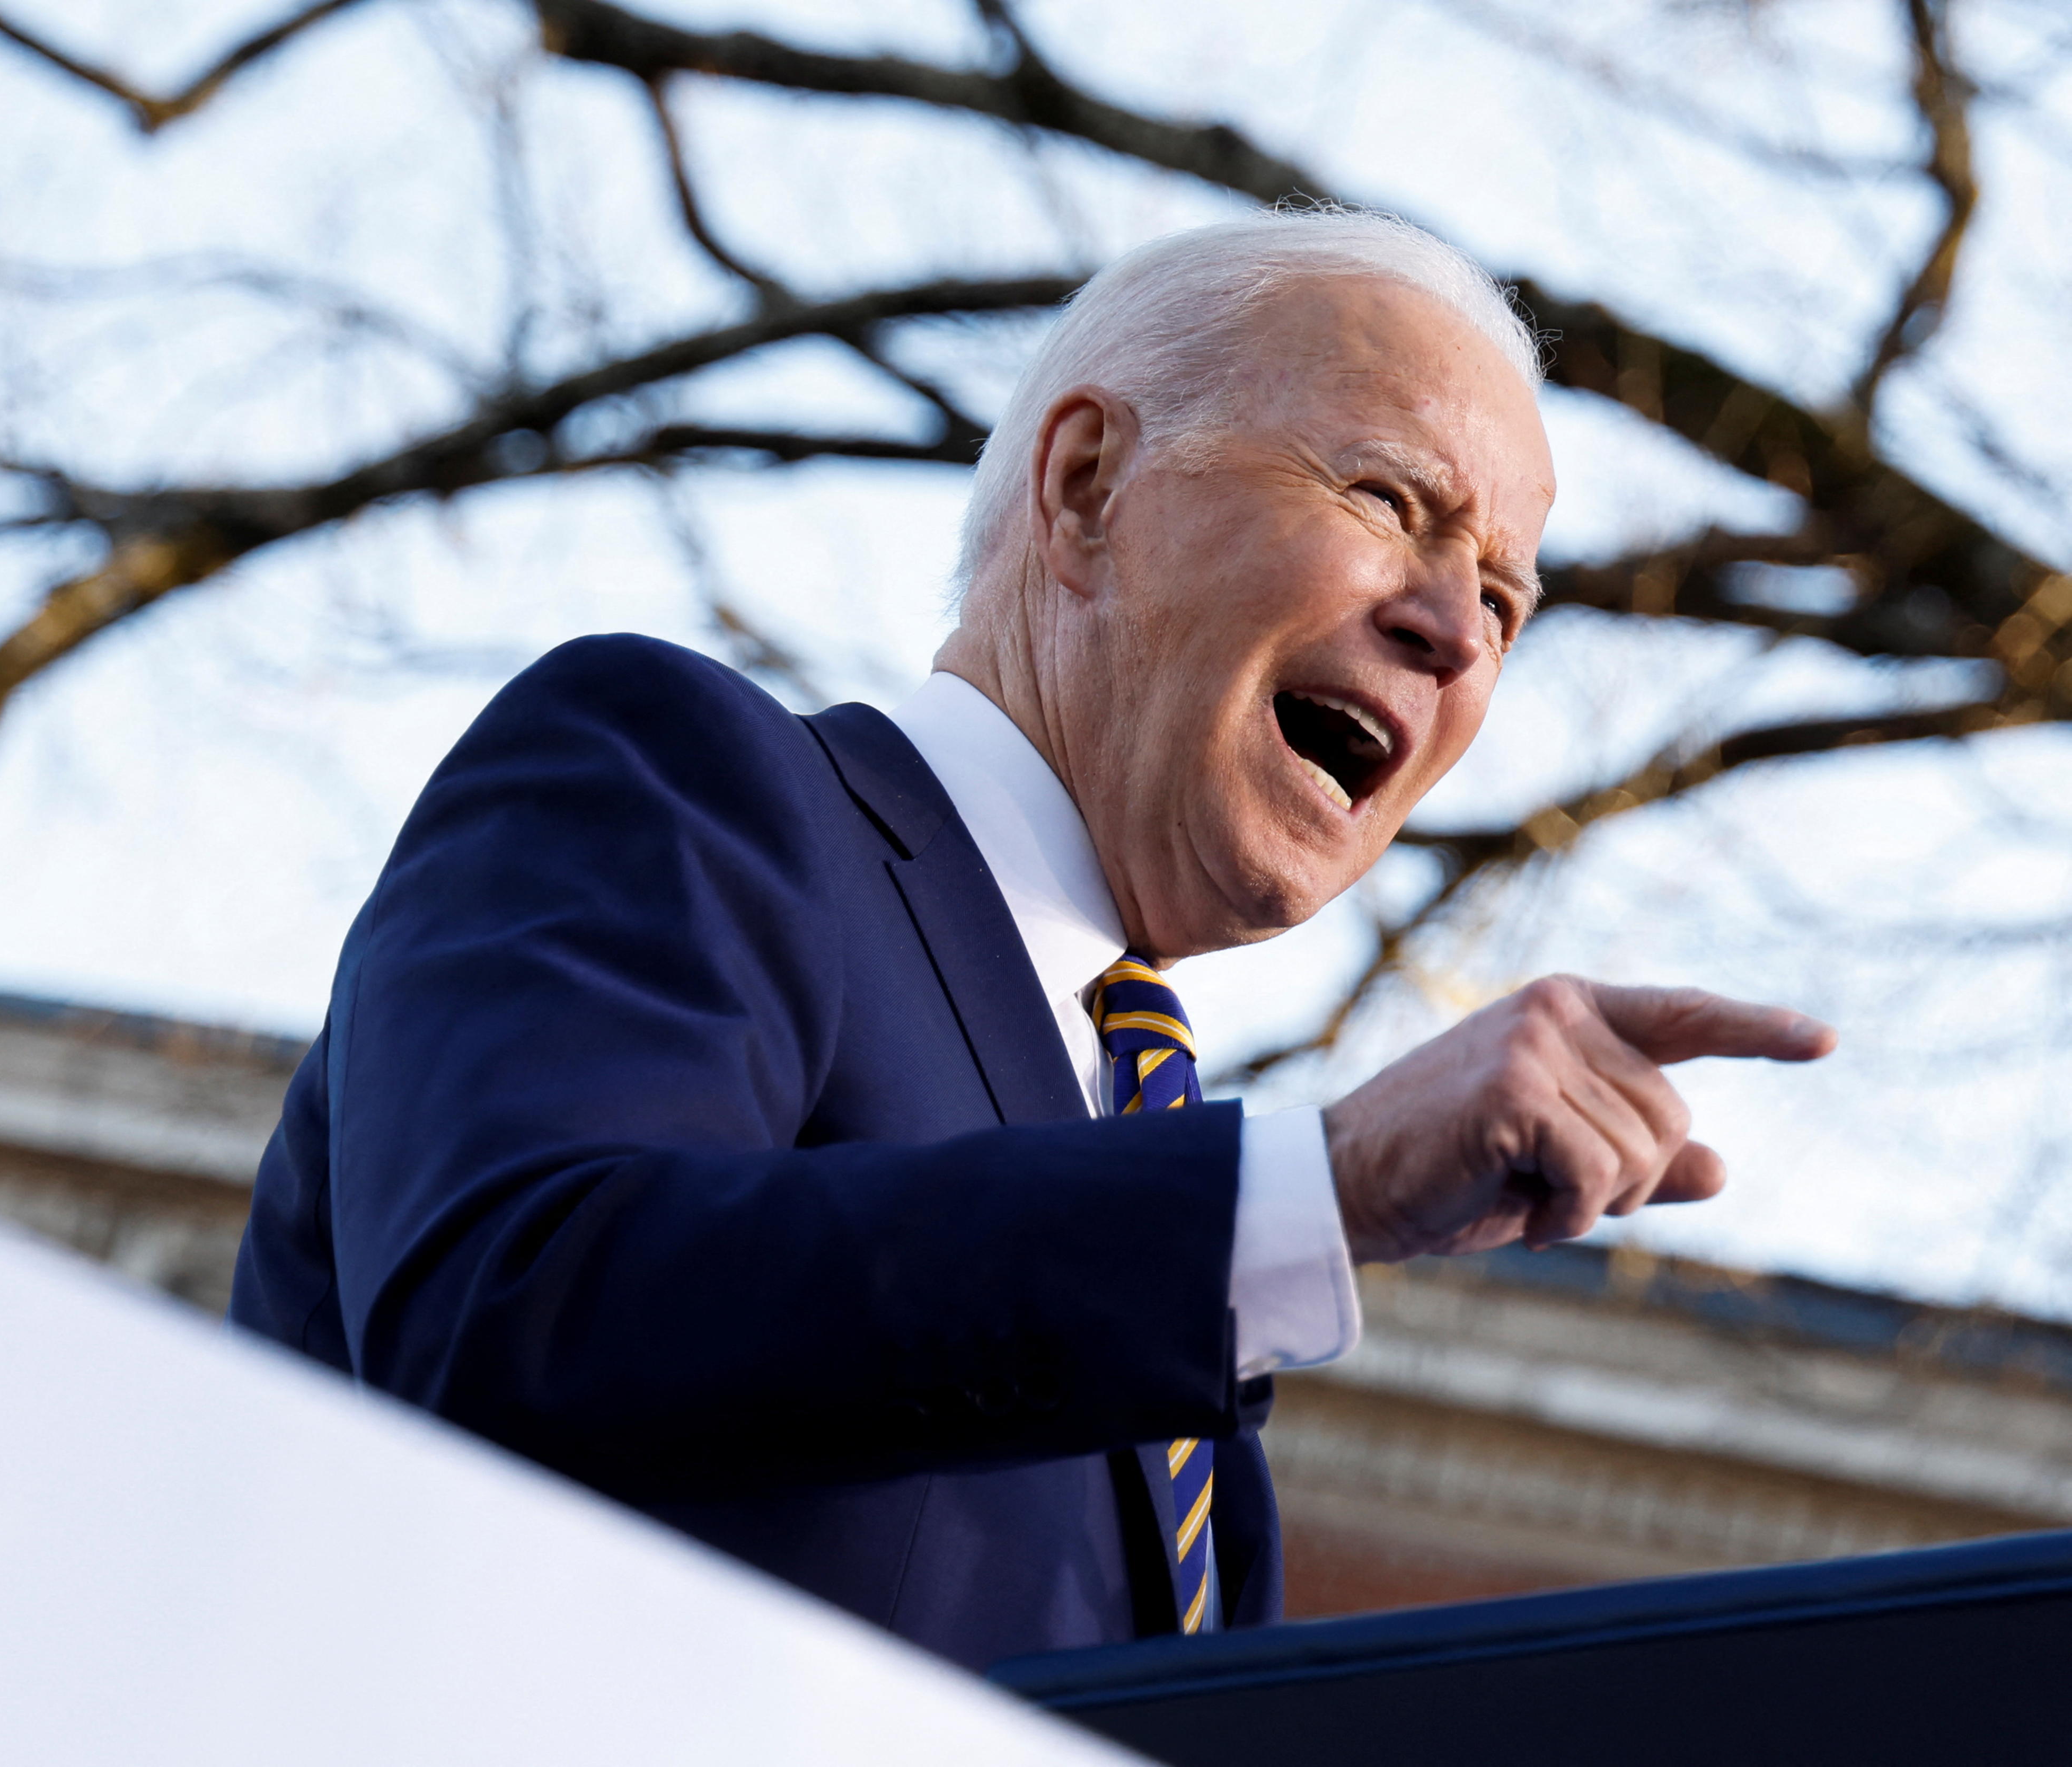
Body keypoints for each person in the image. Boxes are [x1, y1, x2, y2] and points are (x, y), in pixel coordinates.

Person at [227, 209, 1836, 1671]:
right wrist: (1318, 1188)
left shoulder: (1165, 1266)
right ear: (1084, 488)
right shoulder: (679, 776)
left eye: (1504, 598)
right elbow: (518, 1316)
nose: (1452, 630)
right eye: (1388, 501)